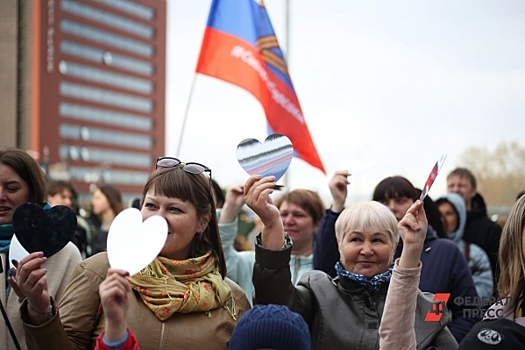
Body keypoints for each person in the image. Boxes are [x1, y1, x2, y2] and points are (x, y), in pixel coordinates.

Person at [17, 157, 251, 349]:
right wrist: (40, 311)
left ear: (203, 222)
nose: (158, 217)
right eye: (151, 206)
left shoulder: (231, 298)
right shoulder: (100, 271)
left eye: (174, 209)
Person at [245, 174, 457, 349]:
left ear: (394, 247)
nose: (366, 250)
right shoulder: (318, 293)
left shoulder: (428, 306)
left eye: (377, 240)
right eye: (356, 239)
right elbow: (273, 303)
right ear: (339, 245)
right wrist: (272, 224)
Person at [314, 173, 478, 343]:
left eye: (400, 201)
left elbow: (468, 311)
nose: (392, 207)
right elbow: (324, 270)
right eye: (383, 203)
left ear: (416, 205)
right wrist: (336, 207)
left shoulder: (446, 252)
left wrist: (432, 341)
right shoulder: (370, 257)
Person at [0, 147, 82, 350]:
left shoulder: (66, 254)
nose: (0, 196)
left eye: (11, 188)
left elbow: (74, 336)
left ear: (32, 192)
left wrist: (39, 308)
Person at [219, 185, 324, 304]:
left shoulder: (324, 269)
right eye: (283, 214)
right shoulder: (253, 262)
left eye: (298, 215)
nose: (289, 221)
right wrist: (230, 208)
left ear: (317, 224)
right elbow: (219, 261)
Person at [447, 167, 501, 293]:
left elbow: (499, 270)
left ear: (473, 191)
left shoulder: (490, 229)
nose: (455, 190)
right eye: (451, 185)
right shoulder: (439, 227)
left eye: (461, 186)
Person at [436, 193, 493, 297]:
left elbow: (485, 289)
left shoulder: (475, 254)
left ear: (459, 217)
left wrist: (455, 302)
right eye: (439, 214)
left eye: (449, 213)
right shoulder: (426, 251)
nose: (442, 219)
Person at [46, 179, 90, 258]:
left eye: (70, 198)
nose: (68, 202)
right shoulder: (40, 226)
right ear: (49, 197)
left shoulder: (79, 231)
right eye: (63, 197)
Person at [89, 184, 124, 256]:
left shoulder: (122, 230)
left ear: (110, 199)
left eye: (98, 198)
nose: (93, 201)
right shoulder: (99, 230)